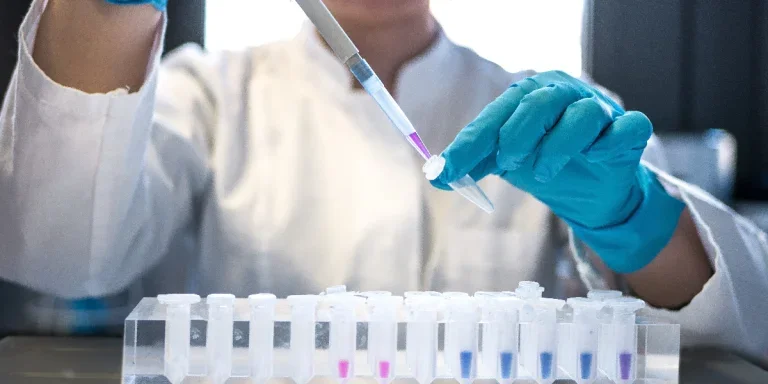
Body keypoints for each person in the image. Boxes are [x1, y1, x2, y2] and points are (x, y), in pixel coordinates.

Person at [0, 0, 766, 364]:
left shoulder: (539, 110)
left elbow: (744, 322)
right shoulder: (207, 95)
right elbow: (56, 253)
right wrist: (102, 11)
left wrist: (635, 219)